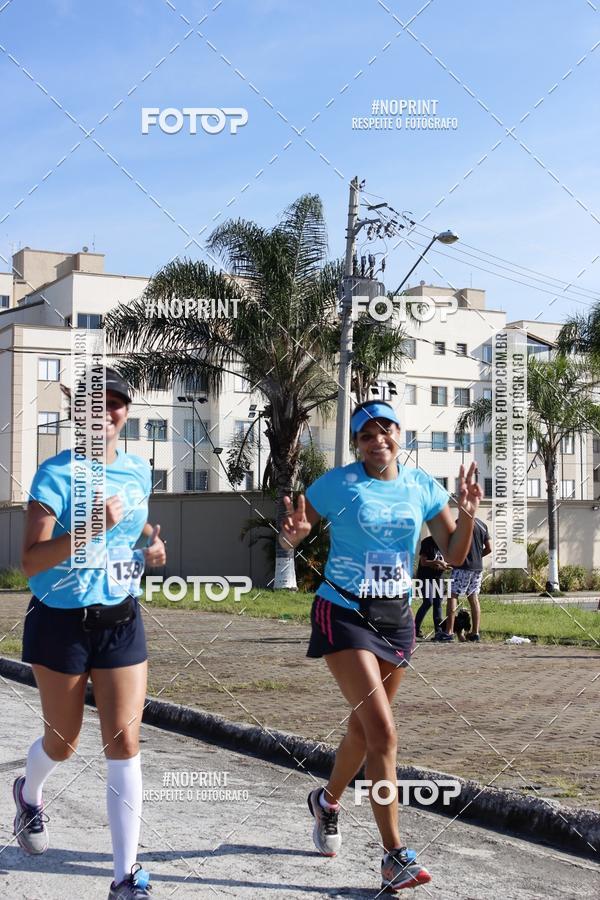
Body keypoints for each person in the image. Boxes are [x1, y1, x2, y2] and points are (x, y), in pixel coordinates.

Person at [279, 400, 482, 893]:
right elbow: (295, 528)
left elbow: (455, 556)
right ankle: (394, 856)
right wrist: (295, 537)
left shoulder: (420, 487)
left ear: (399, 435)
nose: (377, 441)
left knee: (364, 730)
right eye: (366, 435)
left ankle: (327, 802)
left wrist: (469, 513)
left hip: (397, 620)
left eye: (385, 431)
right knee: (384, 734)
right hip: (343, 612)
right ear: (355, 443)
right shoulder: (338, 484)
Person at [15, 366, 166, 900]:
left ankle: (125, 876)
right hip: (60, 623)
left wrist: (150, 546)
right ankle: (28, 793)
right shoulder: (53, 475)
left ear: (125, 411)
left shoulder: (138, 469)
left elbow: (135, 521)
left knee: (124, 740)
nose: (105, 411)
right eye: (92, 403)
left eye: (115, 402)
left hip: (120, 618)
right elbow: (31, 562)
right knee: (64, 740)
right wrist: (88, 530)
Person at [442, 517, 491, 642]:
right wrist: (476, 557)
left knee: (452, 595)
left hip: (462, 566)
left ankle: (449, 632)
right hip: (477, 567)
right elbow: (489, 548)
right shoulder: (482, 525)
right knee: (473, 597)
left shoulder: (458, 523)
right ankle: (475, 632)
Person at [413, 536, 448, 640]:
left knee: (438, 603)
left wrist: (445, 565)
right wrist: (438, 562)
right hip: (425, 577)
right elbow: (423, 562)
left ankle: (439, 631)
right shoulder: (427, 542)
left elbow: (446, 560)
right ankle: (415, 629)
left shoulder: (445, 543)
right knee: (428, 601)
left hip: (438, 577)